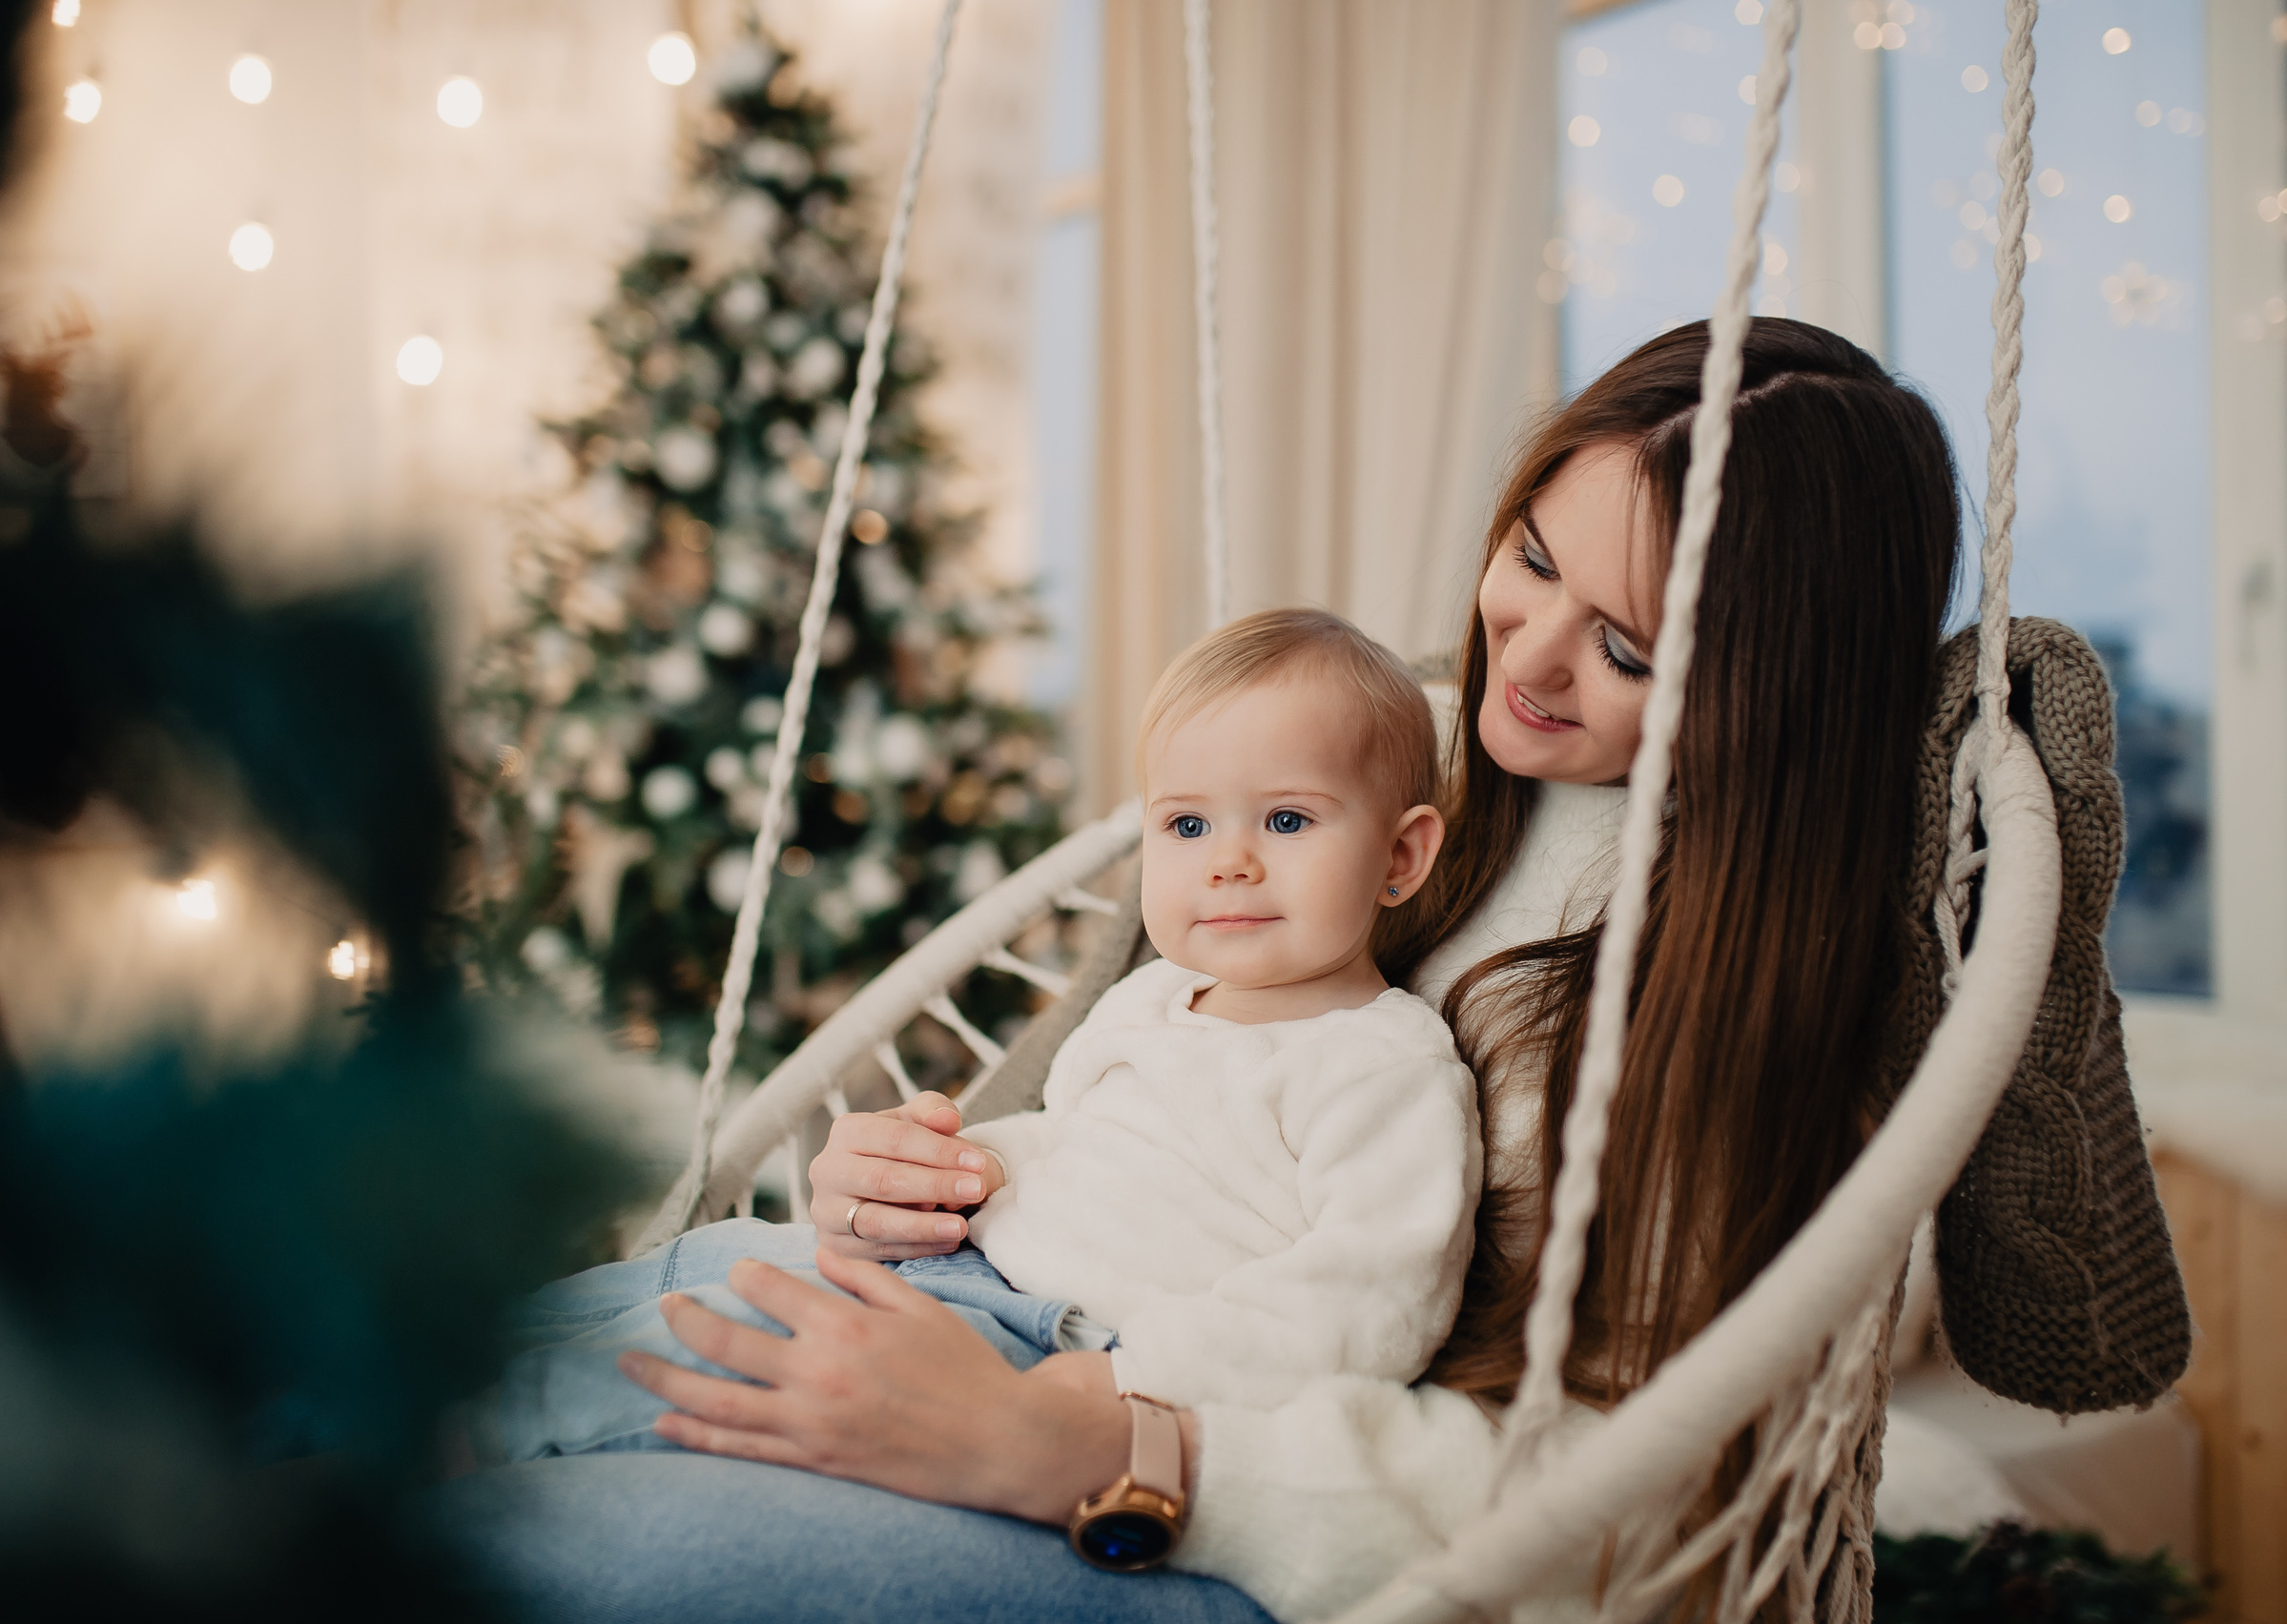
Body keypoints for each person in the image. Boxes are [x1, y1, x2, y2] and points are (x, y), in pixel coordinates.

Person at [429, 320, 2019, 1623]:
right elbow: (1124, 1127)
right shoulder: (1400, 792)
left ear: (1766, 688)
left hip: (1213, 1513)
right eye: (1529, 556)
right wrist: (913, 1179)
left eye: (1628, 646)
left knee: (522, 1546)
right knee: (451, 1368)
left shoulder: (1720, 1008)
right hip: (1021, 1325)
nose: (1518, 661)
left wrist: (1087, 1433)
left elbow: (1623, 1503)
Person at [480, 609, 1477, 1469]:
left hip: (1047, 1347)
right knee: (701, 1259)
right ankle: (388, 1366)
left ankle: (416, 1452)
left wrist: (1120, 1381)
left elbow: (1365, 1305)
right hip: (958, 1265)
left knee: (702, 1345)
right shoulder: (1151, 996)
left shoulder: (1383, 1065)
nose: (1228, 863)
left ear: (1400, 854)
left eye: (1288, 818)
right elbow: (1067, 1136)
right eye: (1185, 826)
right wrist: (957, 1163)